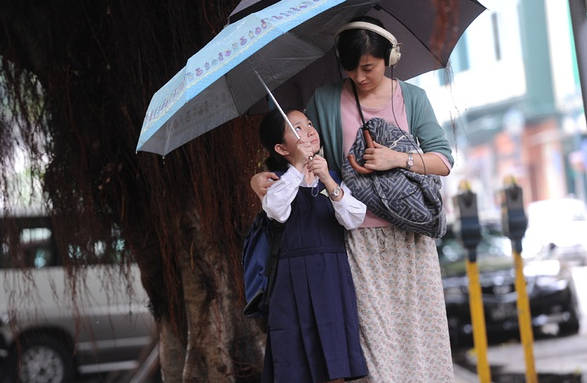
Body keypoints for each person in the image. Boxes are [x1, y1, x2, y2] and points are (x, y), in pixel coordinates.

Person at [251, 16, 456, 382]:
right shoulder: (326, 100)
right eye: (351, 68)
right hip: (358, 241)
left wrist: (398, 159)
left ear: (389, 57)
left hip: (411, 242)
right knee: (374, 352)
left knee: (422, 342)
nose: (360, 77)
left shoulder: (413, 98)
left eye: (369, 67)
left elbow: (443, 160)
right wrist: (258, 178)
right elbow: (301, 150)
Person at [258, 107, 368, 383]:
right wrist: (298, 168)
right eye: (296, 128)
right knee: (297, 368)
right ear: (282, 148)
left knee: (336, 364)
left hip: (331, 276)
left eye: (308, 124)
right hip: (291, 281)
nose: (309, 130)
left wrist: (327, 179)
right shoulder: (276, 182)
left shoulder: (329, 176)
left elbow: (354, 217)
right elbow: (275, 209)